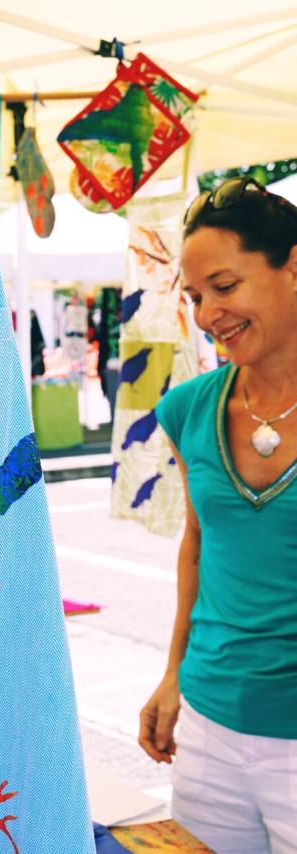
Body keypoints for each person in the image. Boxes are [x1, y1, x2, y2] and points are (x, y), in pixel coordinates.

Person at [138, 176, 297, 854]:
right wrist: (174, 675)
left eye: (225, 287)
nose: (206, 314)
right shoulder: (188, 408)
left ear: (292, 267)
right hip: (208, 733)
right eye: (196, 296)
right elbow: (199, 548)